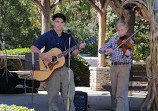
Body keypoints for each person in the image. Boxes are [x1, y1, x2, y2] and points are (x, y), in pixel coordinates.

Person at [30, 13, 86, 111]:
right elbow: (33, 48)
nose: (59, 24)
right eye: (57, 22)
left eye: (61, 22)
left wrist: (80, 48)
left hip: (66, 70)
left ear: (64, 24)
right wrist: (44, 55)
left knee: (69, 96)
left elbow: (73, 53)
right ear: (53, 23)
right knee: (53, 97)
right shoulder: (47, 36)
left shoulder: (68, 37)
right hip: (51, 71)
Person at [99, 19, 133, 111]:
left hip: (124, 67)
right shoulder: (113, 39)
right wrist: (107, 50)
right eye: (118, 30)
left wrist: (127, 52)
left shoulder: (129, 41)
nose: (120, 32)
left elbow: (129, 54)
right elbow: (100, 50)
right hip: (114, 67)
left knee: (120, 94)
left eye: (122, 30)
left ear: (126, 30)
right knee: (114, 93)